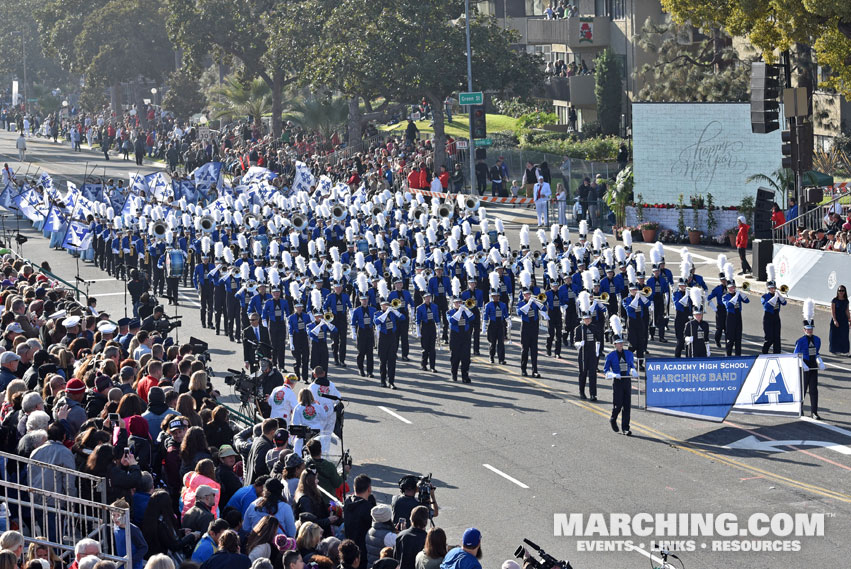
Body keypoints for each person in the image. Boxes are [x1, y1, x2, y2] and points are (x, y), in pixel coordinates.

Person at [603, 316, 638, 436]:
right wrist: (613, 374)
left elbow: (631, 365)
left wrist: (633, 370)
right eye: (618, 344)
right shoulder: (611, 356)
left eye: (621, 343)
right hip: (617, 381)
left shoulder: (628, 354)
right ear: (614, 344)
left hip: (627, 381)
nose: (620, 345)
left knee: (627, 406)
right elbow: (606, 371)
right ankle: (613, 418)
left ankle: (625, 428)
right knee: (618, 405)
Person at [794, 299, 825, 420]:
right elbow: (795, 355)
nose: (810, 331)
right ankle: (799, 409)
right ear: (804, 329)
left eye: (811, 329)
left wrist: (820, 362)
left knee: (814, 390)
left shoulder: (817, 339)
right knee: (803, 389)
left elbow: (816, 353)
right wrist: (802, 364)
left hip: (813, 366)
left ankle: (814, 412)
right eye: (807, 329)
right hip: (804, 366)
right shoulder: (800, 341)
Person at [344, 474, 377, 569]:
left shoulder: (348, 502)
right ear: (369, 489)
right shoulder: (368, 509)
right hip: (363, 552)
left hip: (349, 548)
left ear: (354, 487)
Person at [761, 264, 786, 354]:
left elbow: (784, 303)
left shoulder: (777, 295)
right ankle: (764, 353)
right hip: (768, 318)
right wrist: (775, 297)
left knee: (777, 338)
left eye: (774, 288)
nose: (773, 289)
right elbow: (767, 306)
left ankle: (777, 354)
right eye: (771, 288)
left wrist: (780, 296)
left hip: (776, 317)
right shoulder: (764, 296)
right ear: (768, 288)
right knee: (769, 338)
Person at [830, 285, 850, 355]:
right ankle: (836, 350)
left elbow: (847, 311)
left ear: (845, 292)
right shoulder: (834, 300)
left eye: (842, 291)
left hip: (844, 320)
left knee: (844, 335)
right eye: (839, 290)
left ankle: (845, 351)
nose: (841, 292)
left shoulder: (846, 301)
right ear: (837, 291)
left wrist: (849, 320)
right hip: (836, 319)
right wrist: (835, 320)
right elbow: (833, 311)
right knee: (836, 335)